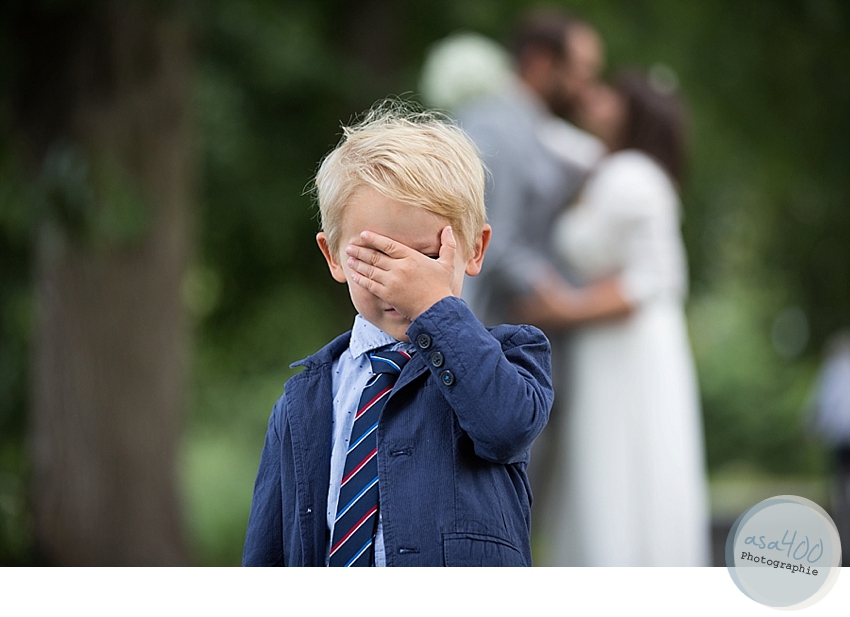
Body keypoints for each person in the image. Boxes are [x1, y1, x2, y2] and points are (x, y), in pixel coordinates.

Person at [241, 103, 554, 567]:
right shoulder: (301, 401)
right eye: (374, 261)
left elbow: (506, 427)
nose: (400, 282)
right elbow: (267, 552)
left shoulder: (510, 355)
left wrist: (435, 306)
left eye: (425, 258)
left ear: (474, 249)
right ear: (334, 258)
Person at [518, 72, 711, 566]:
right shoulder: (605, 164)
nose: (594, 97)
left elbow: (657, 280)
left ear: (631, 111)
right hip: (605, 346)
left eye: (609, 95)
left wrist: (566, 308)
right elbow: (545, 134)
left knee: (623, 462)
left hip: (628, 347)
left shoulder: (632, 176)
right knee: (604, 463)